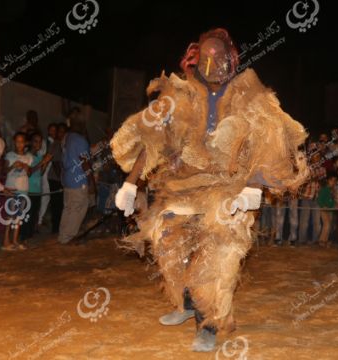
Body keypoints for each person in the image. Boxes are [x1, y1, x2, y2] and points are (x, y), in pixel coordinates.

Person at [110, 28, 308, 352]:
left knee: (216, 257)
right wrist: (130, 184)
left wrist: (253, 186)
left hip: (229, 188)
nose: (213, 62)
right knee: (168, 241)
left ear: (232, 58)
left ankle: (207, 325)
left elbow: (269, 138)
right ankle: (187, 304)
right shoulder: (180, 95)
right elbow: (153, 140)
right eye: (206, 57)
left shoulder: (249, 94)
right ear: (196, 61)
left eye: (220, 56)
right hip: (186, 186)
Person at [58, 120, 94, 244]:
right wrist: (91, 181)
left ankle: (63, 235)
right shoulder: (80, 140)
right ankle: (69, 237)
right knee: (78, 207)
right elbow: (84, 162)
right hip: (78, 179)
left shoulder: (66, 138)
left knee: (68, 208)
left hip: (68, 178)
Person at [2, 132, 33, 250]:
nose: (19, 144)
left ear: (25, 143)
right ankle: (5, 241)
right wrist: (12, 166)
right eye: (17, 141)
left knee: (19, 216)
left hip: (23, 189)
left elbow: (29, 173)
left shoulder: (28, 157)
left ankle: (14, 240)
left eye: (22, 141)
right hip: (11, 188)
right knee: (10, 214)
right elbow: (4, 171)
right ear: (14, 142)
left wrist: (25, 167)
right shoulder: (10, 155)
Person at [298, 149, 324, 245]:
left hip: (316, 198)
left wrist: (319, 179)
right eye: (314, 156)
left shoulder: (322, 169)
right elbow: (302, 182)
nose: (316, 158)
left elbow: (324, 183)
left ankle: (315, 240)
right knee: (304, 221)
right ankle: (302, 240)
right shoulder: (306, 168)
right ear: (311, 158)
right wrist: (314, 178)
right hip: (306, 197)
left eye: (318, 157)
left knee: (317, 221)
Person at [47, 123, 66, 233]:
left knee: (59, 204)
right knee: (57, 204)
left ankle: (57, 227)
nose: (61, 134)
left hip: (59, 178)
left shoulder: (63, 144)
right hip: (55, 178)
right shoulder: (57, 144)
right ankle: (55, 228)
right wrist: (62, 179)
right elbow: (55, 163)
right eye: (60, 131)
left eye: (64, 132)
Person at [317, 174, 336, 247]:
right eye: (332, 180)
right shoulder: (324, 189)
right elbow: (319, 199)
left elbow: (332, 200)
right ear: (328, 181)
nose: (333, 182)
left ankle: (325, 240)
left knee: (329, 225)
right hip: (324, 209)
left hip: (330, 209)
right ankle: (321, 240)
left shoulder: (332, 190)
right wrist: (323, 206)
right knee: (327, 224)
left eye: (335, 181)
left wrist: (333, 205)